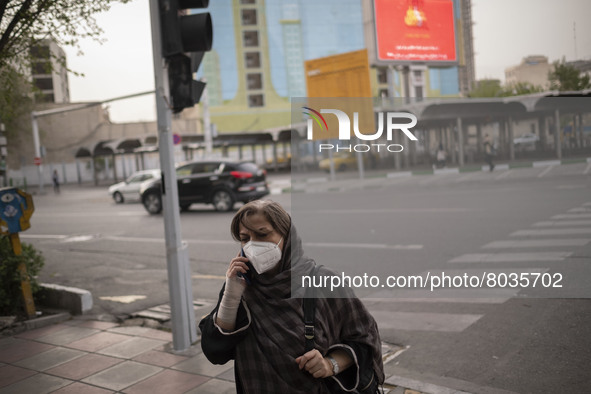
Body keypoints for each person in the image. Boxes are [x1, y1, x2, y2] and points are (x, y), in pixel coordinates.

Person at [199, 200, 384, 393]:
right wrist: (231, 294)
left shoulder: (323, 281)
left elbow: (365, 337)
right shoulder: (239, 286)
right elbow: (215, 351)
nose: (253, 245)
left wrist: (330, 364)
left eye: (262, 234)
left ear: (287, 236)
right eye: (245, 238)